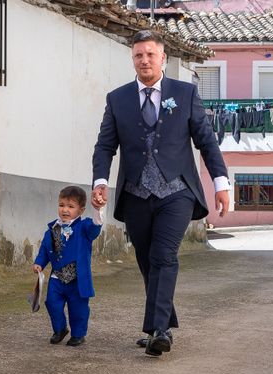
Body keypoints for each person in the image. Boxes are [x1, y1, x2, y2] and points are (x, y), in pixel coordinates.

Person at [91, 30, 230, 357]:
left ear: (163, 58)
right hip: (136, 192)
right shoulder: (117, 99)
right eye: (139, 55)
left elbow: (206, 141)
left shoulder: (185, 93)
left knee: (163, 256)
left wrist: (221, 184)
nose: (144, 60)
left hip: (177, 191)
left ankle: (157, 330)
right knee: (146, 260)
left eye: (151, 54)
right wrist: (99, 180)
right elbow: (105, 145)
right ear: (133, 59)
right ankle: (162, 323)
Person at [33, 186, 103, 347]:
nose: (65, 210)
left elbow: (95, 227)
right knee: (51, 303)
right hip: (57, 278)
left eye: (70, 206)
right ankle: (60, 329)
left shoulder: (84, 227)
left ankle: (78, 334)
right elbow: (45, 249)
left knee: (78, 309)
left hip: (77, 280)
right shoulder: (52, 230)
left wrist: (98, 210)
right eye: (62, 205)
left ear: (81, 209)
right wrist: (39, 263)